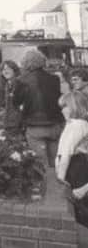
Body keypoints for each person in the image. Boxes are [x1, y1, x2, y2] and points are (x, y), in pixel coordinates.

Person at [14, 50, 64, 168]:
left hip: (34, 127)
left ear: (25, 63)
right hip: (54, 125)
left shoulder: (21, 80)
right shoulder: (54, 79)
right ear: (43, 61)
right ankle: (57, 184)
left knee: (41, 164)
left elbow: (16, 102)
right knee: (56, 162)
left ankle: (46, 184)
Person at [55, 91, 88, 226]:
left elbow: (66, 154)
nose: (62, 110)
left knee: (80, 209)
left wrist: (60, 178)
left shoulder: (75, 126)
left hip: (75, 168)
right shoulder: (80, 123)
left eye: (64, 106)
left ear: (73, 107)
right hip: (79, 165)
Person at [0, 60, 23, 134]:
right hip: (10, 122)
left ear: (14, 70)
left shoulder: (18, 83)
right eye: (3, 69)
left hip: (17, 123)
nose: (5, 71)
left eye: (8, 69)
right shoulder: (8, 84)